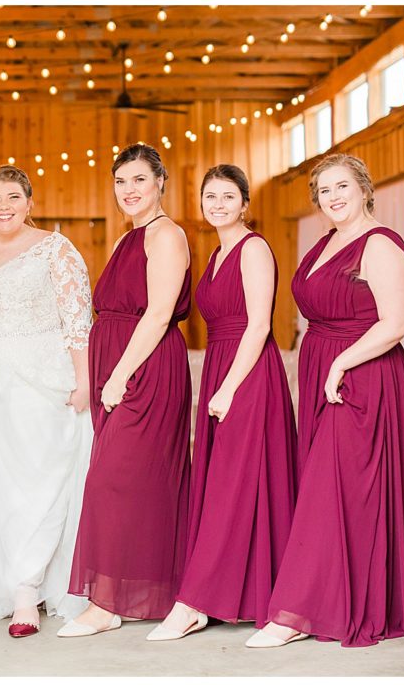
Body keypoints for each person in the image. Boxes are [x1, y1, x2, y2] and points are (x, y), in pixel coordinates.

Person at [246, 153, 404, 648]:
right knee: (332, 491)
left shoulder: (381, 244)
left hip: (364, 377)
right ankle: (335, 599)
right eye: (324, 191)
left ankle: (295, 613)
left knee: (336, 489)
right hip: (323, 370)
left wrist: (342, 362)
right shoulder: (326, 242)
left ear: (365, 189)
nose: (334, 197)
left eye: (342, 186)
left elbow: (397, 323)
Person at [0, 165, 93, 638]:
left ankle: (27, 586)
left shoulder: (55, 248)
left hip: (38, 377)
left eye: (13, 197)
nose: (3, 206)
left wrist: (84, 380)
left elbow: (77, 321)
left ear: (30, 203)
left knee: (32, 479)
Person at [147, 165, 298, 641]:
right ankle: (236, 594)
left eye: (227, 196)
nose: (217, 204)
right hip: (221, 363)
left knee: (234, 484)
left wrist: (230, 387)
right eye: (209, 196)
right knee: (223, 484)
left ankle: (195, 602)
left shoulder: (253, 249)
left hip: (248, 373)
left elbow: (258, 325)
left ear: (245, 203)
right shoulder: (216, 253)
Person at [59, 143, 193, 637]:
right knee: (129, 483)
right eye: (121, 181)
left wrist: (117, 376)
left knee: (113, 481)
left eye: (139, 179)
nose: (129, 190)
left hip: (146, 369)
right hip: (118, 366)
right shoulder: (127, 238)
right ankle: (137, 594)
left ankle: (107, 603)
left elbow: (158, 313)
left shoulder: (166, 236)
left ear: (160, 181)